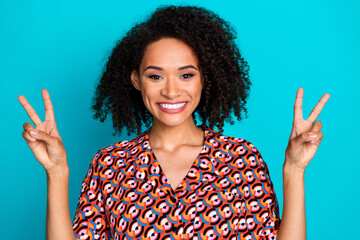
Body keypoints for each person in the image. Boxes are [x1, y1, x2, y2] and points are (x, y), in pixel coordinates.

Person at [18, 5, 329, 240]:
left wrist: (294, 170)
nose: (170, 90)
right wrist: (56, 172)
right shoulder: (109, 165)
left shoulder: (242, 160)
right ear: (136, 80)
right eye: (155, 76)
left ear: (204, 79)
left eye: (186, 75)